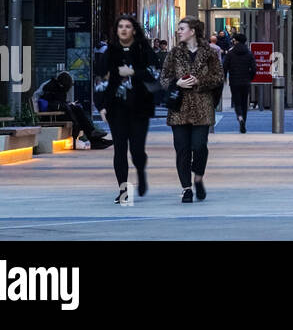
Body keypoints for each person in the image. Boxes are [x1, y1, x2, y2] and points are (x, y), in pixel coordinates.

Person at [161, 17, 224, 204]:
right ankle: (186, 188)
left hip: (202, 106)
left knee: (199, 146)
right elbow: (163, 77)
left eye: (182, 28)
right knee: (182, 149)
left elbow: (219, 77)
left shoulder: (209, 53)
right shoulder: (174, 53)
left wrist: (200, 81)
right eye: (178, 29)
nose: (179, 31)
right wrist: (176, 83)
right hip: (179, 108)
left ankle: (198, 177)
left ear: (193, 31)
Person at [95, 16, 157, 202]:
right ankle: (123, 190)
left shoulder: (143, 50)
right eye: (120, 26)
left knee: (137, 150)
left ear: (134, 30)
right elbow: (100, 80)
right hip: (116, 108)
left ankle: (140, 172)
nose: (123, 30)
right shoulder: (109, 52)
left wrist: (133, 73)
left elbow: (154, 75)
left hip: (140, 107)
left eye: (127, 26)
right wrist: (102, 106)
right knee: (119, 150)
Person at [223, 33, 257, 133]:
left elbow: (225, 66)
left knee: (237, 102)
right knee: (244, 103)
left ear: (236, 41)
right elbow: (254, 69)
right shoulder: (249, 53)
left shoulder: (230, 53)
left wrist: (225, 78)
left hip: (234, 81)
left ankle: (239, 116)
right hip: (245, 81)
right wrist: (250, 77)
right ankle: (244, 123)